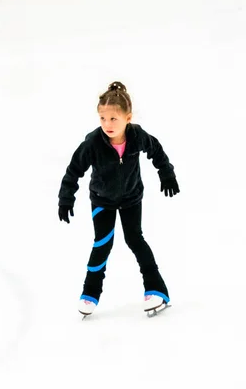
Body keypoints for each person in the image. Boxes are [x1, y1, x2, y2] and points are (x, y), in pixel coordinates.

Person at [58, 81, 179, 316]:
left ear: (128, 118)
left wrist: (167, 175)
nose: (107, 124)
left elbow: (157, 151)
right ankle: (90, 294)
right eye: (103, 119)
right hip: (102, 200)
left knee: (135, 240)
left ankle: (156, 290)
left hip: (131, 198)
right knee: (103, 244)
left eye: (113, 119)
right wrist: (66, 199)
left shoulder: (137, 136)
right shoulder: (93, 143)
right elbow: (74, 170)